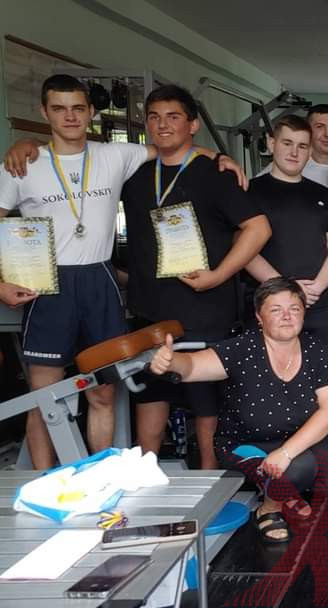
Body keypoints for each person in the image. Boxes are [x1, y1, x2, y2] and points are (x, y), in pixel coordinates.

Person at [0, 75, 240, 468]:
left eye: (78, 108)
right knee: (45, 398)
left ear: (91, 112)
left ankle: (101, 476)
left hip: (100, 280)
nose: (70, 117)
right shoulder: (22, 165)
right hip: (48, 285)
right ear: (44, 113)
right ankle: (42, 481)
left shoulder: (116, 154)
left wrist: (218, 158)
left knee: (103, 392)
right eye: (59, 109)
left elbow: (173, 144)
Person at [149, 277, 328, 543]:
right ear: (259, 317)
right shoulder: (241, 348)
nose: (287, 316)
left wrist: (286, 452)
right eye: (276, 309)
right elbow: (193, 366)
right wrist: (172, 361)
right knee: (300, 467)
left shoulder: (315, 348)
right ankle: (270, 507)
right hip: (247, 443)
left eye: (294, 309)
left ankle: (288, 491)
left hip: (301, 436)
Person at [121, 84, 270, 469]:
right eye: (154, 117)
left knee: (208, 409)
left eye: (173, 117)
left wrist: (218, 275)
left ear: (192, 125)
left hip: (206, 308)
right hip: (150, 310)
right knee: (150, 398)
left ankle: (210, 483)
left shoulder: (215, 173)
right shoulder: (133, 173)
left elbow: (258, 228)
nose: (162, 125)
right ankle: (145, 478)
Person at [244, 115, 328, 349]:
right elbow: (243, 251)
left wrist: (316, 288)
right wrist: (286, 289)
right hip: (269, 301)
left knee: (319, 369)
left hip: (318, 302)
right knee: (267, 370)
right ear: (272, 143)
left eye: (302, 146)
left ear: (310, 151)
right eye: (287, 143)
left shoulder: (324, 195)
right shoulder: (250, 192)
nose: (294, 152)